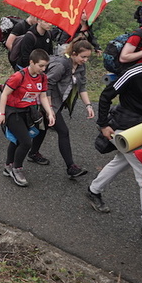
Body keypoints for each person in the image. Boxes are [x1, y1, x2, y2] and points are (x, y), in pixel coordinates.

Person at [86, 40, 142, 244]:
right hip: (126, 127)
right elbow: (106, 96)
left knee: (121, 162)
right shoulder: (133, 73)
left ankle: (93, 191)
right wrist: (103, 125)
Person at [0, 49, 56, 187]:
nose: (43, 69)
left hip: (28, 112)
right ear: (31, 62)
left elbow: (43, 96)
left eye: (45, 66)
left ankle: (8, 166)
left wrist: (50, 112)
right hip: (13, 112)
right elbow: (4, 94)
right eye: (41, 65)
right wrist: (1, 113)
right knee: (26, 142)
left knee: (17, 140)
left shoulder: (42, 77)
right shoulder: (18, 76)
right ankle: (17, 169)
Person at [38, 39, 94, 178]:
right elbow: (46, 86)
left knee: (43, 128)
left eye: (87, 57)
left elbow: (82, 86)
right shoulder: (61, 65)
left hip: (57, 102)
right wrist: (50, 109)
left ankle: (32, 153)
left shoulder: (80, 66)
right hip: (47, 101)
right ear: (74, 53)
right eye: (83, 57)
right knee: (63, 131)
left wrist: (88, 105)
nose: (85, 60)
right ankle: (71, 167)